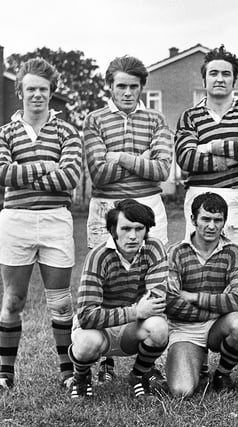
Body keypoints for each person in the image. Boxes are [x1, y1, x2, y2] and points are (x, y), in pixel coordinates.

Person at [175, 45, 238, 374]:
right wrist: (234, 153)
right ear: (205, 78)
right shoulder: (190, 116)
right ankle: (198, 359)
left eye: (225, 73)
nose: (219, 78)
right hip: (200, 197)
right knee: (201, 280)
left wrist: (212, 147)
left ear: (234, 79)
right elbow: (185, 158)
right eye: (213, 73)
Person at [83, 55, 172, 381]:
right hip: (105, 207)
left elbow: (162, 169)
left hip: (150, 204)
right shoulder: (94, 120)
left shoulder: (156, 120)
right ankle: (103, 361)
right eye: (121, 86)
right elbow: (99, 174)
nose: (127, 92)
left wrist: (119, 156)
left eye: (134, 86)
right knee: (106, 280)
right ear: (110, 86)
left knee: (153, 279)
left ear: (142, 88)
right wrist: (141, 159)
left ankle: (150, 365)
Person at [0, 58, 82, 390]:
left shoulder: (67, 131)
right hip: (16, 220)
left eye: (43, 89)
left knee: (61, 301)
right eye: (31, 89)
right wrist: (46, 166)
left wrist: (25, 172)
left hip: (55, 220)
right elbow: (2, 173)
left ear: (51, 93)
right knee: (13, 300)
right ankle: (5, 374)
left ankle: (68, 373)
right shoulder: (5, 132)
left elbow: (71, 176)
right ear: (20, 92)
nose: (37, 95)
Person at [68, 199, 169, 398]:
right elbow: (87, 315)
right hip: (99, 331)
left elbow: (156, 301)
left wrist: (139, 313)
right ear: (113, 229)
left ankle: (138, 376)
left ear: (146, 230)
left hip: (132, 329)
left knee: (159, 327)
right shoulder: (98, 256)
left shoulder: (154, 248)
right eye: (125, 228)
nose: (132, 236)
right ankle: (81, 377)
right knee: (87, 342)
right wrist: (135, 311)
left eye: (139, 228)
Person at [165, 193, 238, 397]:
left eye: (217, 220)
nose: (211, 226)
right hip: (185, 329)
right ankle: (194, 364)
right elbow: (171, 303)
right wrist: (217, 307)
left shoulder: (233, 252)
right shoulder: (175, 252)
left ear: (224, 222)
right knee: (182, 391)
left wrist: (195, 297)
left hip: (216, 326)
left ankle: (222, 373)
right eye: (205, 219)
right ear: (193, 220)